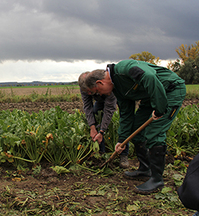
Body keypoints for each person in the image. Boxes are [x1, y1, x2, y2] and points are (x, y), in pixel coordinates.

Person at [84, 59, 186, 194]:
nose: (100, 95)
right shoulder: (118, 90)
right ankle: (145, 169)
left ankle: (157, 180)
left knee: (155, 131)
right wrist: (122, 139)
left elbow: (149, 77)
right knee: (137, 129)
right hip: (151, 97)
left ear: (100, 82)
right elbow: (126, 115)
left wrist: (159, 108)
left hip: (170, 90)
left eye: (97, 91)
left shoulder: (125, 68)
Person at [78, 72, 130, 168]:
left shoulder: (107, 85)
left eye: (90, 91)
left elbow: (109, 109)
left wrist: (102, 131)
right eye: (87, 92)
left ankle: (124, 155)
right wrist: (92, 127)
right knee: (95, 113)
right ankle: (101, 153)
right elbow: (87, 107)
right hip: (100, 99)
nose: (89, 94)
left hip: (118, 95)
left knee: (125, 121)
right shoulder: (84, 89)